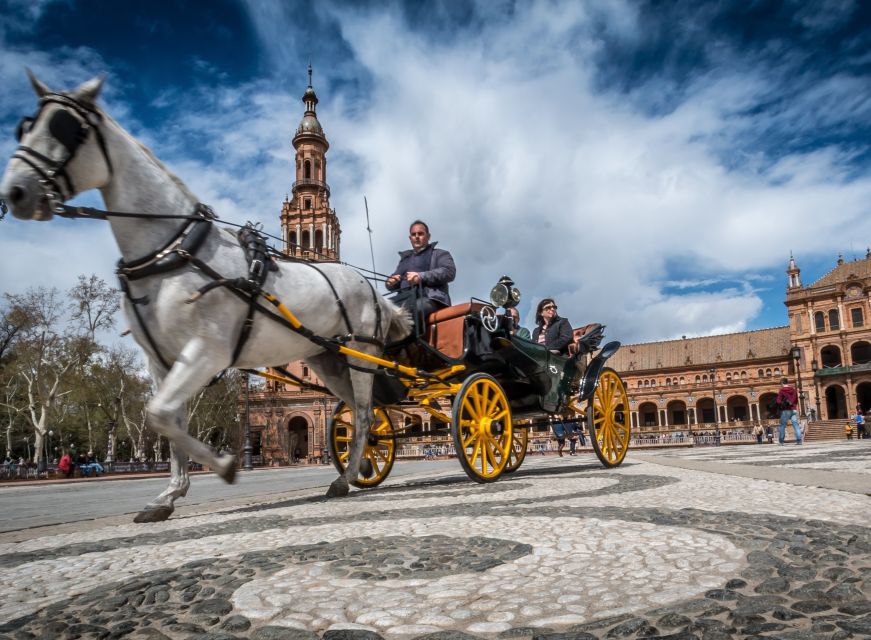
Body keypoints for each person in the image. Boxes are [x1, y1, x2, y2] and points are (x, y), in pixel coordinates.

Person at [385, 220, 456, 320]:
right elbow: (392, 281)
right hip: (404, 300)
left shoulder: (440, 254)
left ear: (428, 236)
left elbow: (449, 272)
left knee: (412, 309)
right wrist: (390, 282)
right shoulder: (405, 260)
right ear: (410, 238)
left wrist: (421, 276)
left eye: (420, 234)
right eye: (414, 234)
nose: (417, 237)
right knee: (382, 312)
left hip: (431, 300)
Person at [775, 377, 801, 445]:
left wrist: (781, 403)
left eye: (781, 384)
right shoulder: (793, 390)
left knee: (783, 425)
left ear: (782, 383)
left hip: (786, 410)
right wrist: (794, 405)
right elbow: (796, 400)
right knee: (795, 425)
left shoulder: (782, 390)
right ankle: (799, 440)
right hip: (794, 409)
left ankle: (781, 441)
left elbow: (778, 401)